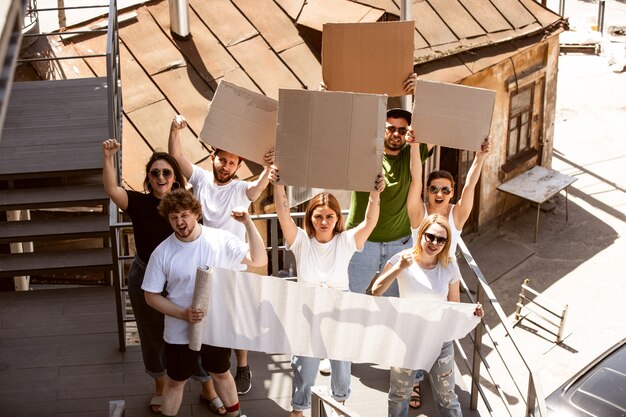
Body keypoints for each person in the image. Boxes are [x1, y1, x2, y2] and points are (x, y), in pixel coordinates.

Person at [101, 139, 226, 415]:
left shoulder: (186, 204)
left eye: (166, 172)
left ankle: (207, 386)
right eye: (155, 172)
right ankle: (160, 385)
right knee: (153, 334)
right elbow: (111, 188)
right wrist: (108, 157)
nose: (160, 177)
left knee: (197, 330)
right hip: (147, 275)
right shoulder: (139, 203)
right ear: (148, 178)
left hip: (184, 278)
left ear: (175, 178)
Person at [168, 114, 273, 395]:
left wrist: (267, 167)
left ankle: (242, 366)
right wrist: (175, 129)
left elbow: (256, 189)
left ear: (238, 165)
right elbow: (176, 157)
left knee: (235, 322)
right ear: (213, 157)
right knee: (203, 315)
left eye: (232, 162)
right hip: (202, 264)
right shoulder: (201, 179)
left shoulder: (240, 188)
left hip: (233, 264)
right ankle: (210, 368)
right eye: (222, 159)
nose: (226, 166)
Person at [269, 165, 385, 417]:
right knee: (304, 366)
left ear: (337, 219)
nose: (323, 222)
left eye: (329, 216)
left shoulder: (346, 241)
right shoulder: (300, 241)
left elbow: (370, 221)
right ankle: (298, 410)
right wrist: (278, 183)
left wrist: (375, 195)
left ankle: (339, 405)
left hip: (339, 315)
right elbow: (283, 213)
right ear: (309, 218)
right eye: (318, 216)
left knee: (342, 367)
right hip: (307, 316)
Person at [142, 189, 267, 417]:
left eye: (184, 215)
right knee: (176, 381)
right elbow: (150, 296)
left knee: (220, 373)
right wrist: (182, 314)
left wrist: (248, 222)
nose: (180, 222)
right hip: (179, 330)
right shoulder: (162, 253)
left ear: (197, 214)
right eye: (173, 217)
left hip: (216, 325)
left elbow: (259, 259)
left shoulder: (221, 239)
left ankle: (235, 415)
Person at [371, 214, 484, 417]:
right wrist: (399, 268)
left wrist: (472, 313)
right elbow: (376, 290)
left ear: (446, 243)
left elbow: (454, 305)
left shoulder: (449, 266)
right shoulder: (402, 259)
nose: (434, 243)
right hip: (406, 339)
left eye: (441, 239)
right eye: (430, 236)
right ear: (421, 234)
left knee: (447, 397)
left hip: (439, 341)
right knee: (399, 395)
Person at [407, 136, 491, 256]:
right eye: (434, 189)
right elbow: (415, 181)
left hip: (446, 273)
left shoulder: (456, 215)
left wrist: (480, 156)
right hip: (420, 272)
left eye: (445, 190)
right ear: (427, 191)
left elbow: (469, 186)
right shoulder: (419, 213)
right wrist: (414, 146)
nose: (439, 194)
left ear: (452, 193)